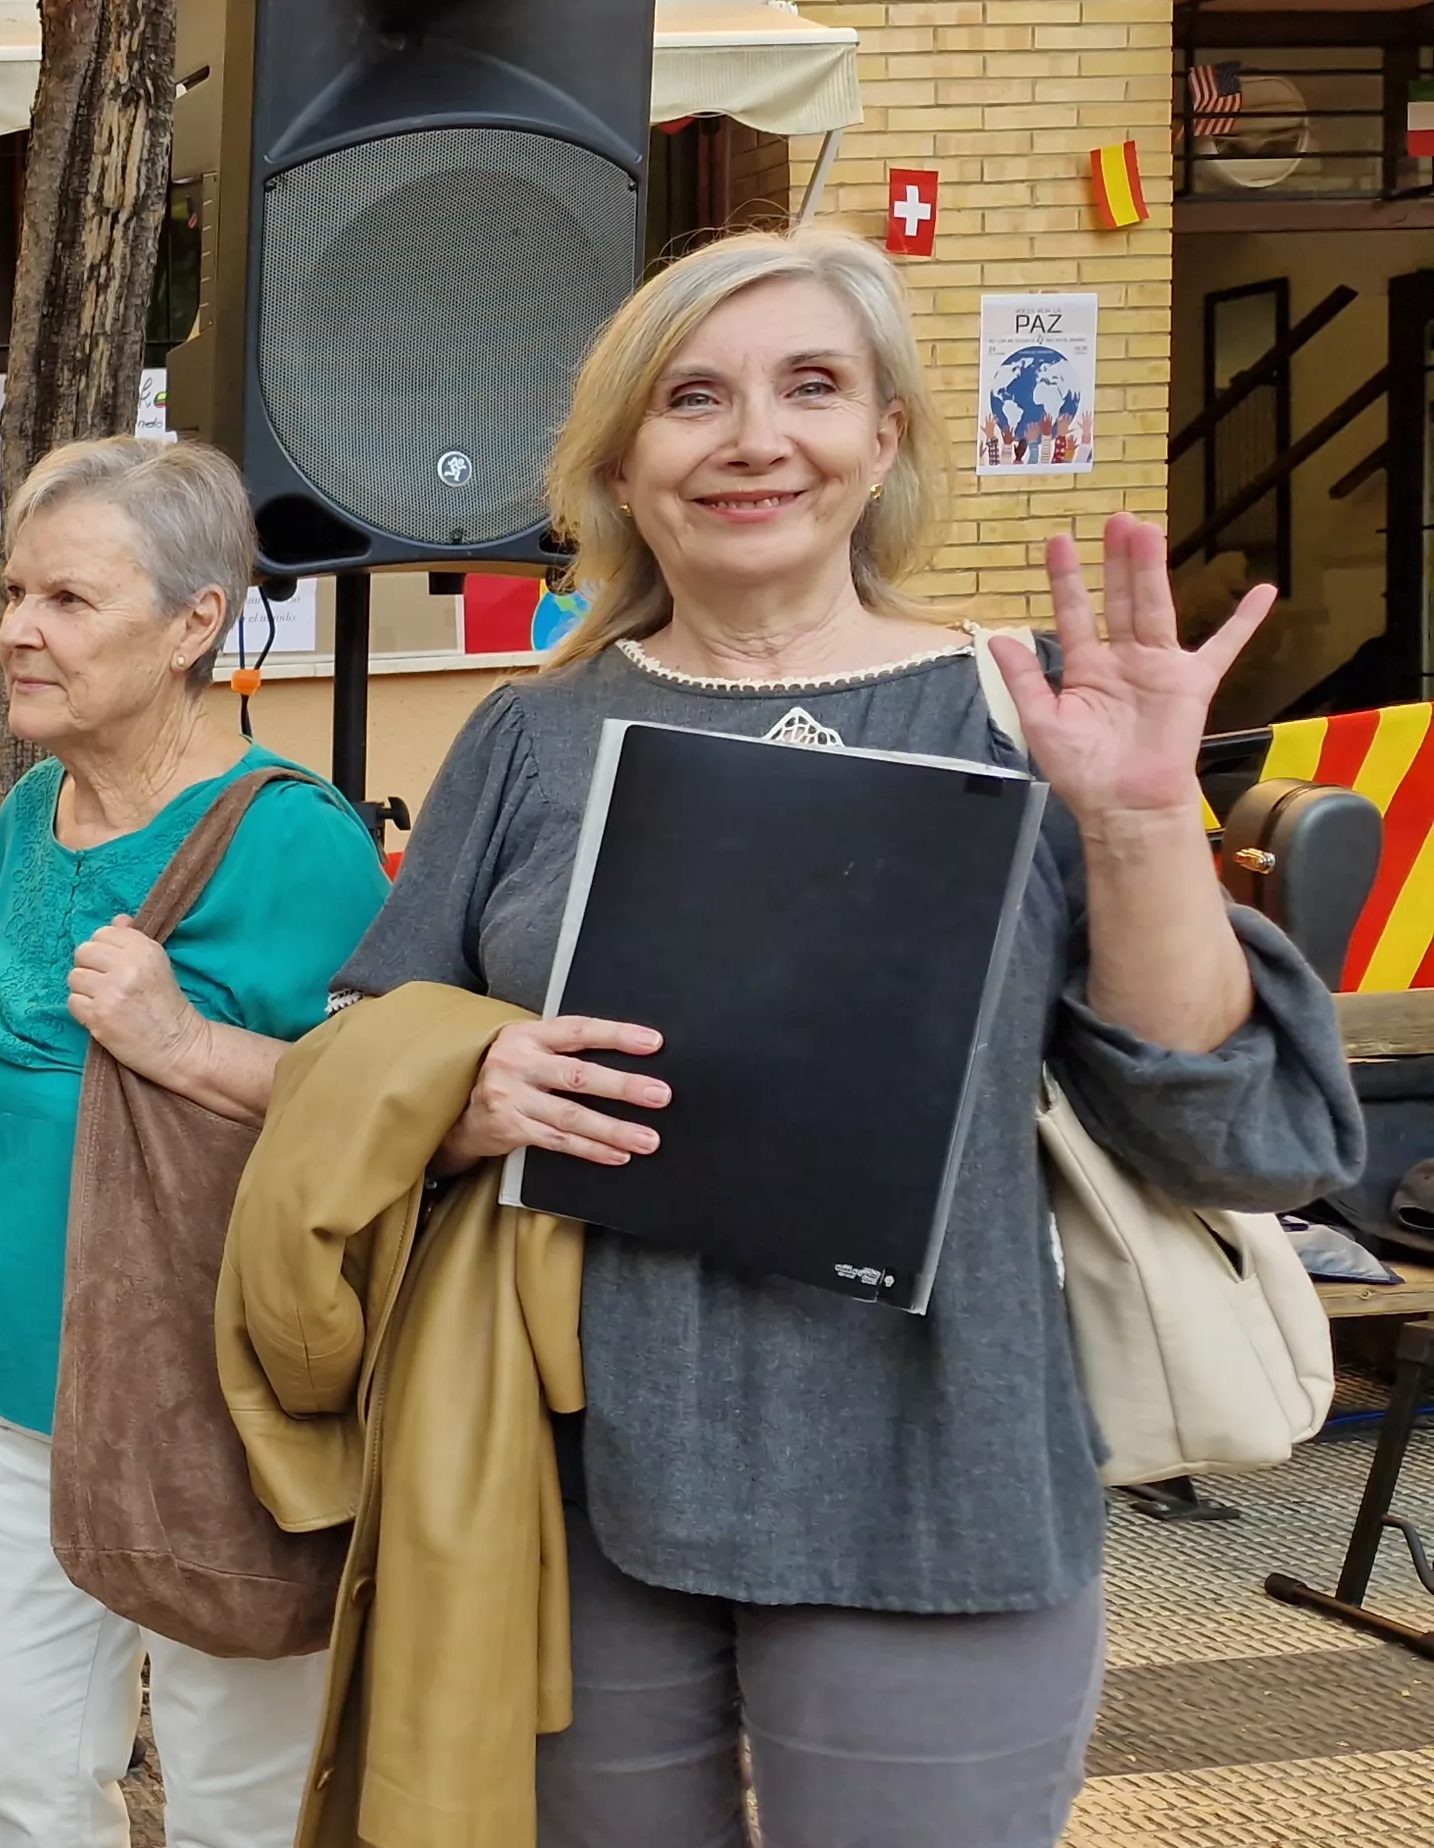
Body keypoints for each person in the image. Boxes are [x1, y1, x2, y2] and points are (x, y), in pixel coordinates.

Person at [341, 225, 1360, 1843]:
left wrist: (1145, 816)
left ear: (884, 436)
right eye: (693, 396)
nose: (755, 437)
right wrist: (464, 1080)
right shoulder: (533, 733)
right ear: (620, 461)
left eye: (810, 385)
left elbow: (1240, 1136)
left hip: (937, 1471)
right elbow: (367, 1041)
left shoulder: (1021, 713)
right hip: (576, 1487)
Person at [0, 438, 384, 1846]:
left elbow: (391, 1124)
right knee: (21, 1752)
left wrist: (183, 1046)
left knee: (237, 1777)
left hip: (213, 1406)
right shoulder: (31, 811)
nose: (16, 632)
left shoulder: (295, 844)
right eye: (14, 594)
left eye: (67, 600)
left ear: (196, 623)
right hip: (32, 1389)